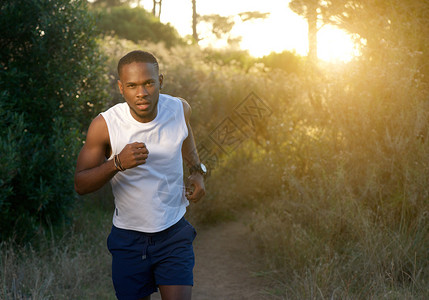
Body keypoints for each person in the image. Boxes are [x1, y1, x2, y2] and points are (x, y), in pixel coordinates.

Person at [74, 50, 206, 300]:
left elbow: (186, 139)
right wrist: (117, 164)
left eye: (149, 83)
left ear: (161, 82)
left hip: (173, 233)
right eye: (132, 85)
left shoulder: (179, 109)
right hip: (129, 240)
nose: (142, 92)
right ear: (121, 88)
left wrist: (197, 172)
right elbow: (80, 184)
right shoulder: (105, 125)